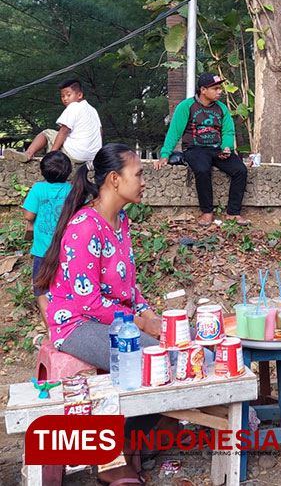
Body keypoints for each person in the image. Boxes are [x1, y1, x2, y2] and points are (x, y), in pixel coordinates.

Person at [35, 143, 175, 485]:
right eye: (139, 174)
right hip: (77, 323)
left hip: (112, 319)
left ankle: (132, 442)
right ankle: (110, 458)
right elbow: (89, 302)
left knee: (173, 353)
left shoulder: (120, 220)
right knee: (150, 361)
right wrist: (142, 324)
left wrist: (149, 314)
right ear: (114, 179)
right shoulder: (85, 226)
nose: (144, 181)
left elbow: (127, 286)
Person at [153, 72, 248, 226]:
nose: (220, 92)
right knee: (202, 170)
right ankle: (207, 212)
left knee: (240, 170)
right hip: (195, 148)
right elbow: (174, 132)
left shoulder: (222, 108)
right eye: (215, 88)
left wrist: (227, 148)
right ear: (203, 90)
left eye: (220, 88)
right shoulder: (186, 106)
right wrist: (165, 154)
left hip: (217, 148)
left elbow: (228, 131)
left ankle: (233, 213)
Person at [3, 79, 102, 164]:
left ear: (79, 95)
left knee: (46, 133)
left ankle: (28, 154)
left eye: (68, 95)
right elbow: (100, 131)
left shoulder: (74, 106)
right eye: (63, 96)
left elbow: (64, 131)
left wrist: (51, 155)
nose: (65, 99)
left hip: (76, 155)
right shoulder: (92, 110)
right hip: (93, 156)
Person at [22, 151, 73, 318]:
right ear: (68, 172)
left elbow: (29, 216)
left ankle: (50, 332)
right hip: (68, 254)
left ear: (42, 171)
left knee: (42, 291)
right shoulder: (73, 190)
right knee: (67, 291)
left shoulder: (38, 188)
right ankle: (66, 327)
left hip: (43, 253)